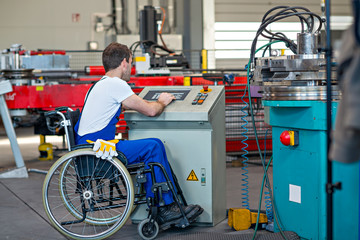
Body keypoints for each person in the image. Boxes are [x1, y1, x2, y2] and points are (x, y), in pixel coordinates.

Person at [74, 42, 203, 226]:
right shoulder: (116, 84)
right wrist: (162, 101)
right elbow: (151, 111)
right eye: (131, 64)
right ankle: (164, 207)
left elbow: (119, 104)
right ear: (124, 62)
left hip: (89, 147)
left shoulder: (98, 85)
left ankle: (168, 203)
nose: (131, 69)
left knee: (152, 145)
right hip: (98, 150)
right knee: (153, 146)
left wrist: (133, 103)